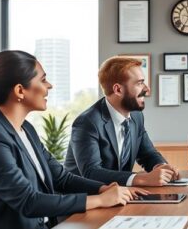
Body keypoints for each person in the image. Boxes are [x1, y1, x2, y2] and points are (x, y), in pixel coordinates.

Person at [0, 51, 147, 229]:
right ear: (20, 91)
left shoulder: (26, 129)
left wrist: (102, 189)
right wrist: (99, 200)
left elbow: (61, 178)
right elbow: (29, 201)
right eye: (43, 80)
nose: (49, 86)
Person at [65, 57, 180, 186]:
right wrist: (141, 179)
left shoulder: (136, 116)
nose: (147, 89)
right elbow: (91, 172)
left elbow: (147, 154)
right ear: (118, 90)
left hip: (119, 195)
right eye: (139, 83)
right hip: (88, 197)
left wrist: (161, 167)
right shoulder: (87, 123)